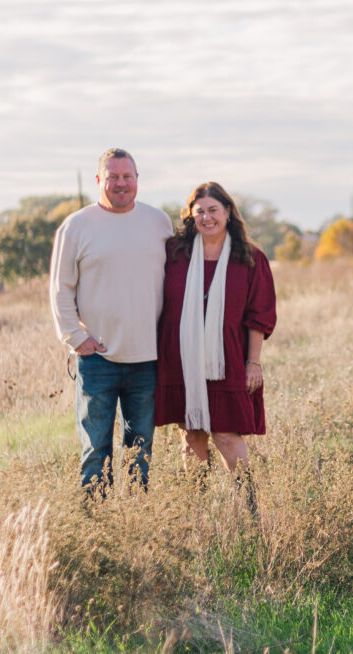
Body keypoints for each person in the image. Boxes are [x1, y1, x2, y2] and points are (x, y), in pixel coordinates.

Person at [50, 148, 174, 494]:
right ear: (98, 180)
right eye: (112, 177)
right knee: (95, 452)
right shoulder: (76, 226)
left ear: (137, 180)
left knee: (140, 452)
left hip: (147, 358)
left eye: (127, 177)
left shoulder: (158, 222)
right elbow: (60, 288)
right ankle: (97, 530)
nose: (121, 184)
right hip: (97, 359)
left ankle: (134, 525)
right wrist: (75, 337)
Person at [154, 182, 276, 480]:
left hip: (228, 358)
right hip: (179, 357)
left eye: (213, 210)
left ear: (228, 213)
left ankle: (248, 505)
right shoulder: (174, 253)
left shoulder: (249, 258)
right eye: (200, 211)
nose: (207, 218)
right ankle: (196, 508)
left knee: (225, 434)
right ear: (190, 215)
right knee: (192, 433)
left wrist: (253, 362)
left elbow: (258, 315)